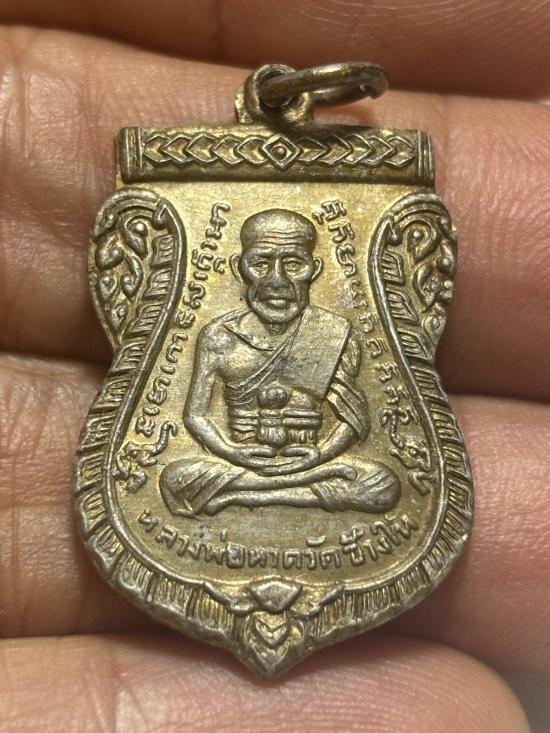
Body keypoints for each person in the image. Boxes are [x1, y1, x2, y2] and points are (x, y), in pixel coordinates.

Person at [160, 208, 400, 515]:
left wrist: (321, 455)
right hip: (243, 460)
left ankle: (242, 496)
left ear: (314, 269)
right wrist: (232, 453)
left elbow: (353, 419)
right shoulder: (219, 336)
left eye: (294, 264)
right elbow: (195, 416)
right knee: (175, 478)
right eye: (260, 263)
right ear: (238, 268)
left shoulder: (330, 332)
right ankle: (288, 489)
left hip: (308, 460)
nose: (277, 280)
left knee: (383, 484)